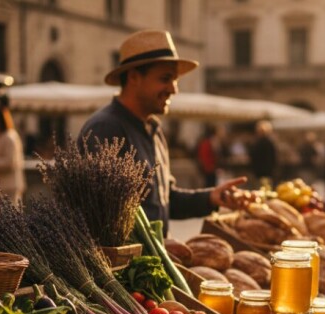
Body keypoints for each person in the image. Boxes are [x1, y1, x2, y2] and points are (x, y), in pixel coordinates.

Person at [77, 29, 251, 234]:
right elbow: (101, 217)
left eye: (174, 80)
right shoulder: (105, 129)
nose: (174, 89)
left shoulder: (154, 130)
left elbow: (165, 200)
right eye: (165, 78)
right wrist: (155, 246)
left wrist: (211, 198)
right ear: (134, 77)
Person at [249, 120, 278, 188]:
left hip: (265, 172)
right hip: (260, 172)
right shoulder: (258, 142)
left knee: (265, 188)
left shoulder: (266, 143)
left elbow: (271, 158)